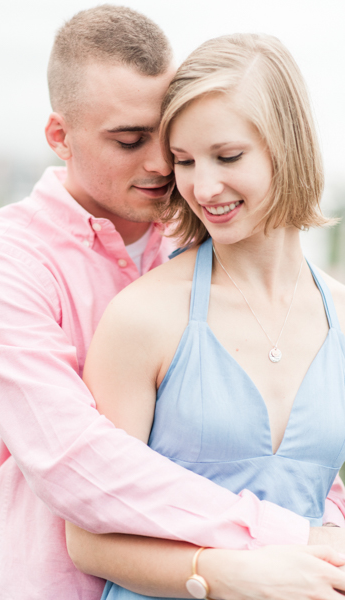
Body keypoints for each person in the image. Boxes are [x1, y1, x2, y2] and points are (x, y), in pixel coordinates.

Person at [0, 6, 345, 600]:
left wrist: (323, 532)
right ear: (60, 137)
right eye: (131, 141)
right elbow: (78, 463)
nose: (163, 167)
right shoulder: (1, 265)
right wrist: (278, 543)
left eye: (169, 143)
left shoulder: (211, 242)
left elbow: (292, 460)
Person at [65, 32, 345, 600]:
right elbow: (88, 540)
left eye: (228, 156)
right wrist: (219, 576)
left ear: (286, 148)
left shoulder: (339, 312)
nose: (203, 186)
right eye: (185, 161)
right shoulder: (142, 317)